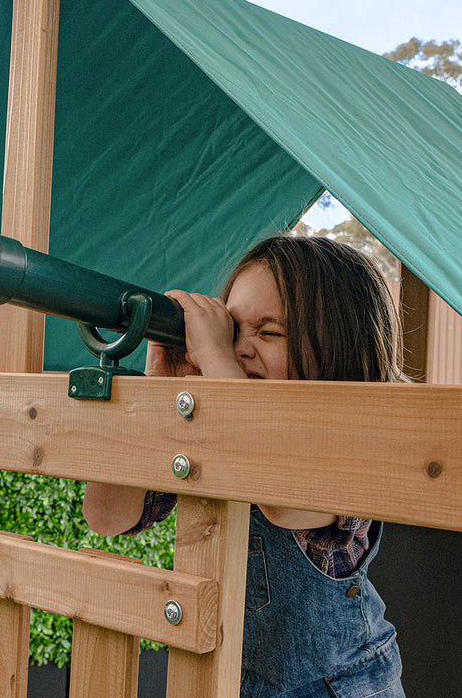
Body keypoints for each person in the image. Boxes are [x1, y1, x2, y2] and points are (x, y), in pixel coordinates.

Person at [83, 235, 407, 698]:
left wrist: (215, 357)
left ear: (341, 350)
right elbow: (107, 514)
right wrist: (159, 386)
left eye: (270, 333)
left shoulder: (348, 447)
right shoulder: (216, 429)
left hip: (343, 687)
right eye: (232, 332)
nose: (239, 350)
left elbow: (281, 497)